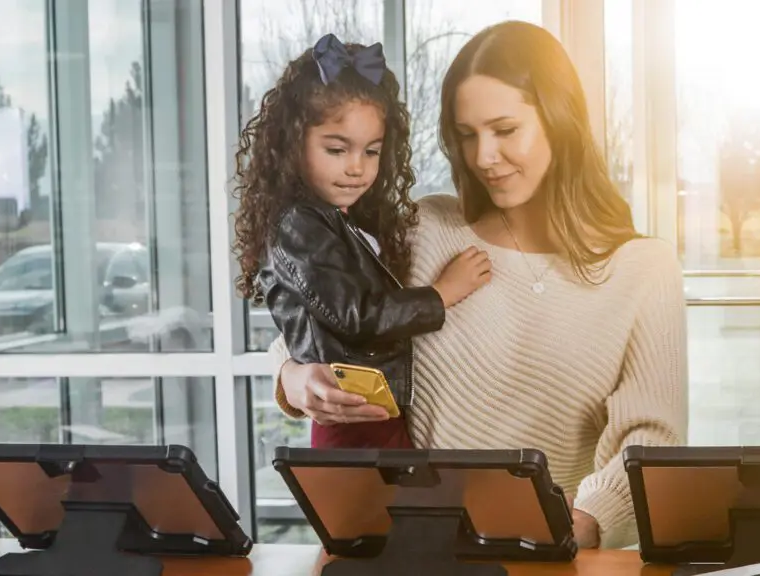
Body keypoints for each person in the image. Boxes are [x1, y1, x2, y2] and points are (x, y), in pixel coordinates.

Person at [270, 21, 688, 549]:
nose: (483, 157)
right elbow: (314, 326)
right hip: (412, 550)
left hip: (550, 556)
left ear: (561, 121)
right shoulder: (425, 229)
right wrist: (292, 378)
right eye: (467, 136)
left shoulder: (644, 269)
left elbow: (651, 439)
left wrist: (583, 523)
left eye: (505, 130)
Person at [232, 33, 491, 449]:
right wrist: (441, 294)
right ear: (292, 144)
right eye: (337, 150)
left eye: (371, 152)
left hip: (370, 406)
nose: (357, 168)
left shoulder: (345, 218)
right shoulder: (301, 224)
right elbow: (357, 316)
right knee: (375, 514)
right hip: (352, 412)